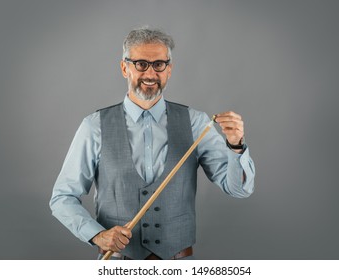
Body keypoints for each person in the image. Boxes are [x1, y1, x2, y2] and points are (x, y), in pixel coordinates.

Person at [49, 27, 255, 260]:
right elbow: (62, 198)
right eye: (141, 64)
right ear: (124, 68)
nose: (150, 73)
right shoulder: (94, 126)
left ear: (169, 69)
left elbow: (239, 189)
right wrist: (97, 235)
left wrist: (236, 146)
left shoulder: (196, 123)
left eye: (159, 64)